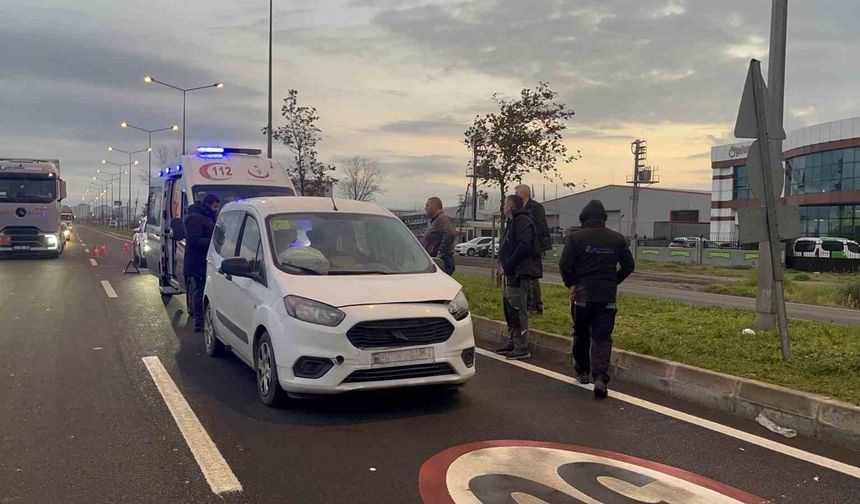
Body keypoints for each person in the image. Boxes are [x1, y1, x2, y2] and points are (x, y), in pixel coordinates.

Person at [559, 199, 635, 399]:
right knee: (602, 337)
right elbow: (629, 265)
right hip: (607, 296)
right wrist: (613, 281)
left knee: (581, 333)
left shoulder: (575, 238)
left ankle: (583, 371)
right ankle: (600, 377)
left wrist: (571, 283)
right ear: (604, 218)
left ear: (584, 219)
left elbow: (564, 265)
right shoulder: (617, 239)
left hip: (582, 295)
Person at [495, 195, 542, 361]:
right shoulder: (513, 222)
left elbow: (523, 246)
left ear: (512, 206)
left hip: (518, 272)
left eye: (506, 204)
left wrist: (508, 265)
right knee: (509, 309)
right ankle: (513, 340)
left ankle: (521, 346)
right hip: (511, 272)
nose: (503, 207)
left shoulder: (522, 221)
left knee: (517, 309)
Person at [184, 194, 220, 332]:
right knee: (199, 291)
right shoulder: (195, 218)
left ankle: (204, 319)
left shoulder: (209, 217)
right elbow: (194, 240)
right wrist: (213, 242)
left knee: (205, 290)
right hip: (197, 262)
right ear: (207, 205)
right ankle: (199, 322)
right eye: (215, 206)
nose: (217, 209)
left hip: (206, 260)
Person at [515, 184, 551, 315]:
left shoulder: (536, 207)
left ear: (524, 193)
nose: (515, 195)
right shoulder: (518, 208)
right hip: (523, 245)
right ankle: (527, 302)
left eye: (517, 193)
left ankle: (536, 305)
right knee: (525, 275)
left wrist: (533, 241)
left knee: (532, 275)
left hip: (534, 246)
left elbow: (541, 227)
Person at [420, 197, 456, 275]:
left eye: (427, 206)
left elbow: (450, 233)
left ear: (435, 207)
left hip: (440, 262)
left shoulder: (442, 218)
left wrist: (441, 252)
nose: (425, 208)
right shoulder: (436, 221)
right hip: (432, 261)